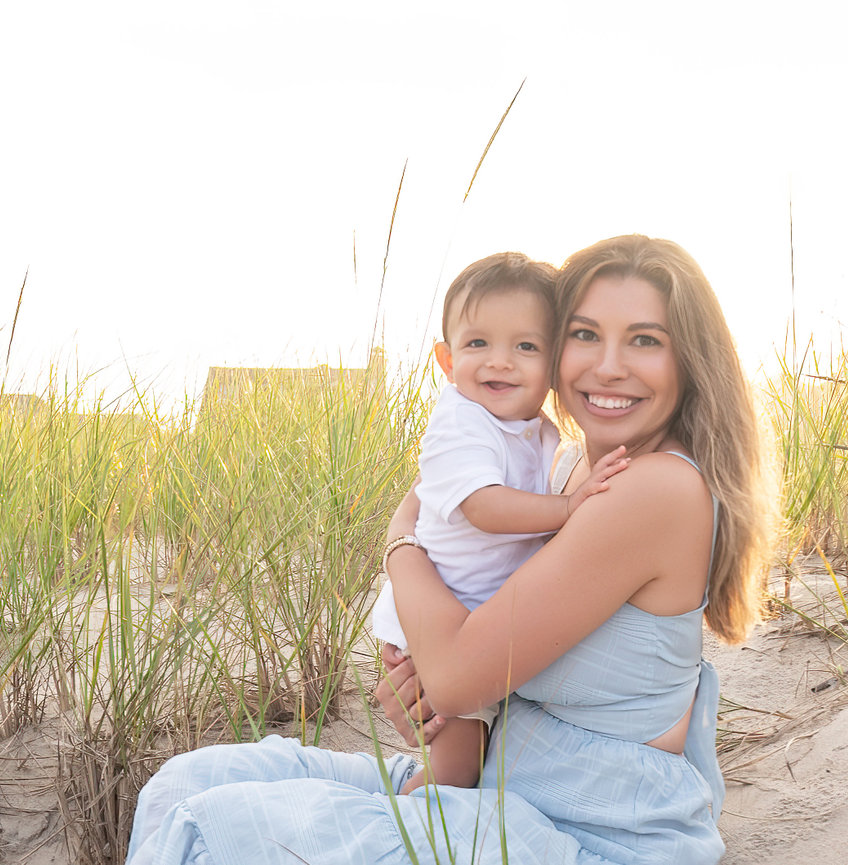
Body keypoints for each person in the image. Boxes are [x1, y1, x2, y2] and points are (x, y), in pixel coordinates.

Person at [126, 235, 779, 865]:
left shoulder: (656, 487)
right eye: (585, 334)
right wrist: (436, 700)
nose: (608, 364)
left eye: (644, 340)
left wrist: (398, 547)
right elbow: (469, 649)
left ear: (689, 359)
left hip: (588, 835)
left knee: (207, 833)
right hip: (501, 787)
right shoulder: (564, 466)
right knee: (187, 783)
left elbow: (456, 669)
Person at [371, 251, 627, 792]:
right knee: (454, 768)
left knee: (473, 754)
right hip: (444, 615)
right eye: (478, 343)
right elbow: (483, 507)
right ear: (446, 359)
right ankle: (403, 829)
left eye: (526, 346)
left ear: (555, 361)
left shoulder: (540, 431)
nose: (500, 362)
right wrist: (565, 508)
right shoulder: (461, 424)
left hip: (475, 615)